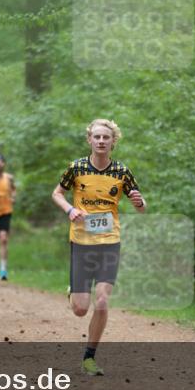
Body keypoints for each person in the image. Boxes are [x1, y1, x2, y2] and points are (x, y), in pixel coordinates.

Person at [51, 119, 145, 376]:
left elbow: (140, 205)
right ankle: (74, 290)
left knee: (102, 301)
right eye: (97, 137)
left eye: (106, 137)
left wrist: (140, 201)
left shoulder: (122, 172)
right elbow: (57, 193)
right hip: (81, 241)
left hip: (109, 241)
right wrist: (70, 209)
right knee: (81, 309)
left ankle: (89, 358)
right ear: (89, 140)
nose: (101, 141)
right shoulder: (77, 167)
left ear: (113, 141)